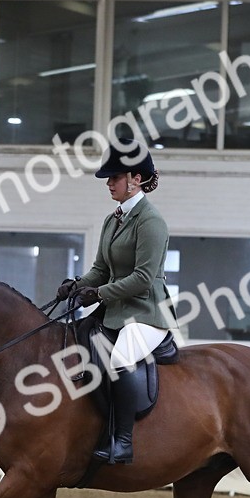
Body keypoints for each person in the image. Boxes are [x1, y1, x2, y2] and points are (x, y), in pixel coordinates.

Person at [55, 142, 172, 465]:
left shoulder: (151, 222)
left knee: (120, 359)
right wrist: (76, 285)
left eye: (115, 178)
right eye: (109, 179)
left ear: (135, 179)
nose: (109, 184)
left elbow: (143, 278)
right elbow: (100, 270)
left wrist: (100, 294)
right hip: (116, 311)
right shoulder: (113, 220)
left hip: (147, 313)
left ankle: (122, 442)